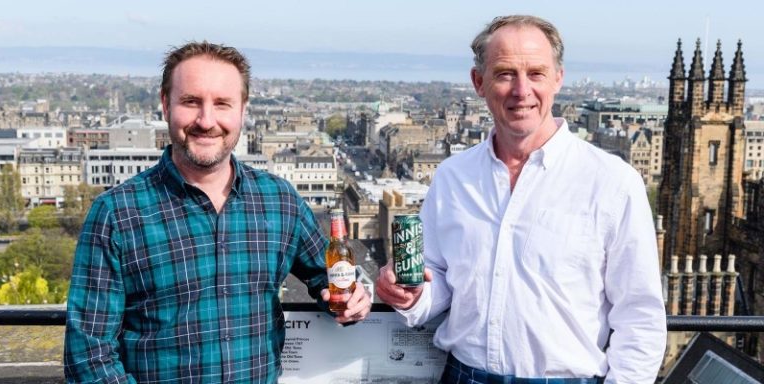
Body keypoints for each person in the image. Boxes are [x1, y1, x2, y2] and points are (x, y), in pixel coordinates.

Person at [376, 15, 666, 383]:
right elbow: (439, 279)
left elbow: (640, 317)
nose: (521, 90)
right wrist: (409, 293)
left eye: (536, 73)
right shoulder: (453, 177)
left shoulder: (612, 182)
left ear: (558, 79)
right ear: (478, 82)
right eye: (505, 73)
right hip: (464, 375)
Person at [64, 41, 372, 383]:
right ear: (166, 105)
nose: (206, 120)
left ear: (243, 110)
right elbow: (88, 356)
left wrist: (352, 299)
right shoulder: (116, 214)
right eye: (191, 102)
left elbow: (329, 278)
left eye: (222, 104)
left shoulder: (280, 201)